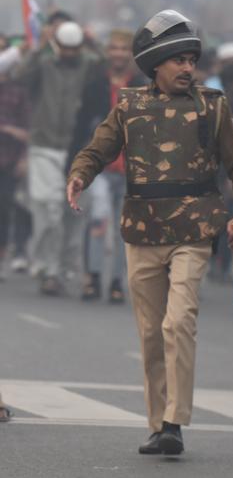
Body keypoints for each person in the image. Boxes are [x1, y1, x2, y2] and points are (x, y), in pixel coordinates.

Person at [66, 10, 233, 455]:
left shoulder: (213, 105)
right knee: (151, 334)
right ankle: (159, 427)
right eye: (179, 60)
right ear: (156, 64)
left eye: (192, 59)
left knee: (178, 323)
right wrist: (80, 174)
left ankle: (175, 421)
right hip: (142, 230)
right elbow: (98, 148)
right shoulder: (129, 106)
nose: (188, 68)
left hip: (195, 229)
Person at [13, 19, 99, 295]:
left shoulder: (88, 66)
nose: (71, 53)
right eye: (66, 48)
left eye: (76, 48)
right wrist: (39, 47)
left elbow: (112, 68)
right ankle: (47, 269)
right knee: (48, 208)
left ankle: (64, 267)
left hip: (78, 150)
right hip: (44, 146)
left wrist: (93, 41)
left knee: (73, 212)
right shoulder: (44, 65)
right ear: (57, 45)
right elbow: (19, 76)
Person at [67, 29, 145, 303]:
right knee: (98, 221)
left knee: (126, 229)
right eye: (114, 48)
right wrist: (74, 168)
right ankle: (93, 277)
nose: (118, 54)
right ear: (107, 52)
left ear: (131, 54)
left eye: (124, 49)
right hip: (100, 166)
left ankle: (117, 282)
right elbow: (80, 128)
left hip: (131, 169)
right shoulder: (94, 86)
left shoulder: (142, 87)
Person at [0, 35, 29, 280]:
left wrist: (23, 157)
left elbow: (28, 128)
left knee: (4, 210)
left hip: (8, 160)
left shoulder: (18, 91)